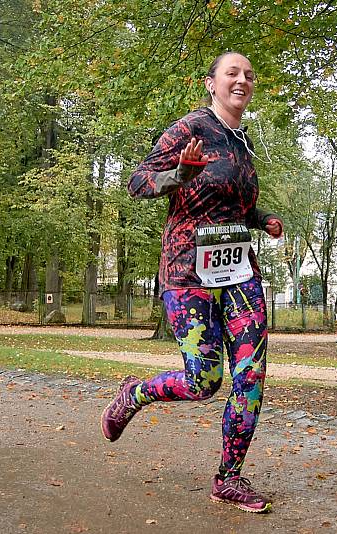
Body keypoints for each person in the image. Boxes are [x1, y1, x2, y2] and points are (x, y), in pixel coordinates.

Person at [101, 51, 283, 514]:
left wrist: (262, 219)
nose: (242, 79)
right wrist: (179, 174)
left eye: (248, 74)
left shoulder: (243, 143)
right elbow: (137, 181)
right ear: (212, 83)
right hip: (187, 273)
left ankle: (228, 479)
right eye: (232, 73)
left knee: (251, 376)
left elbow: (232, 205)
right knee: (204, 382)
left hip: (239, 273)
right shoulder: (191, 128)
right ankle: (135, 393)